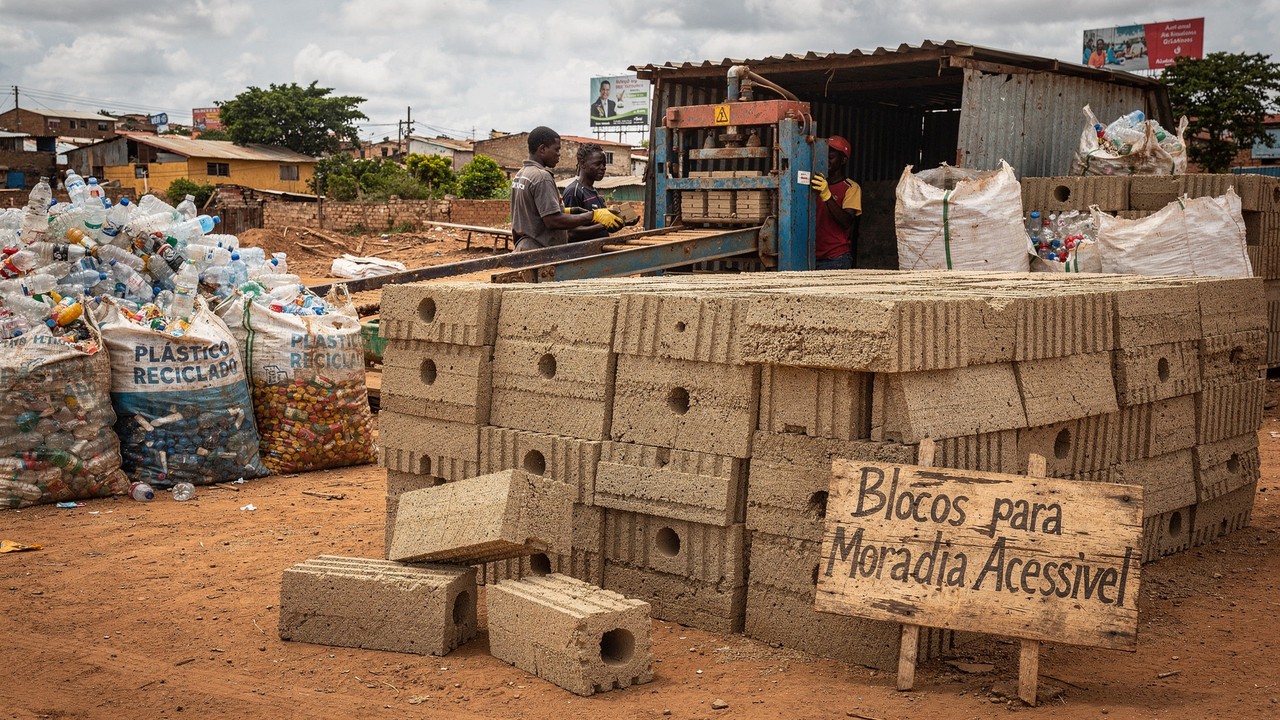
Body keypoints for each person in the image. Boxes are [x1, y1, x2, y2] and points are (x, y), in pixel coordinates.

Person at [510, 126, 621, 251]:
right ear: (542, 149)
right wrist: (593, 216)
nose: (559, 154)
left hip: (525, 247)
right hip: (540, 252)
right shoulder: (542, 177)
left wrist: (571, 210)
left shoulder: (521, 174)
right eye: (556, 150)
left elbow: (533, 212)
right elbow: (552, 221)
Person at [809, 135, 862, 270]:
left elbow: (846, 221)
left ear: (843, 160)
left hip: (835, 259)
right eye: (824, 156)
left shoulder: (851, 188)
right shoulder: (813, 185)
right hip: (809, 256)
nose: (826, 160)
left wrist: (827, 195)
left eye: (830, 157)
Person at [562, 143, 612, 241]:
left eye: (604, 164)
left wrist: (621, 221)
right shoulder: (574, 192)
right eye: (598, 164)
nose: (603, 167)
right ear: (582, 164)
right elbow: (571, 232)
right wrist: (604, 225)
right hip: (584, 254)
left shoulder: (593, 191)